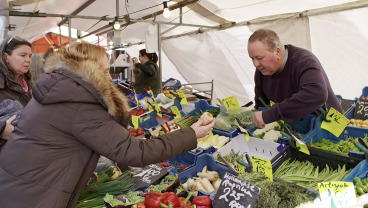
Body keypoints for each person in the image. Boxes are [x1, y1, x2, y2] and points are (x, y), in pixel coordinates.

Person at [0, 41, 216, 207]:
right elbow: (137, 153)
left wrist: (80, 169)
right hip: (33, 196)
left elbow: (56, 144)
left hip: (18, 185)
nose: (109, 77)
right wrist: (191, 134)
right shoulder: (79, 105)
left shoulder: (57, 90)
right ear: (88, 70)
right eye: (103, 71)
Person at [248, 29, 343, 128]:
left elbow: (317, 93)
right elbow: (261, 104)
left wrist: (271, 114)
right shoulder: (262, 70)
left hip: (329, 125)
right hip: (297, 126)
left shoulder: (303, 61)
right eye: (252, 59)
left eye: (259, 58)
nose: (256, 64)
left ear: (277, 52)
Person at [0, 36, 33, 140]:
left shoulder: (26, 82)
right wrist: (2, 129)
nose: (28, 60)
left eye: (30, 56)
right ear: (6, 57)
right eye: (23, 55)